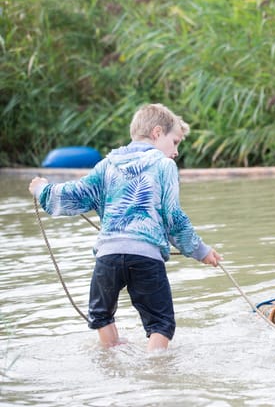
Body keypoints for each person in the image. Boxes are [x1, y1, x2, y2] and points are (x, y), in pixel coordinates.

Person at [28, 103, 222, 351]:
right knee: (161, 324)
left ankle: (110, 358)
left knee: (100, 316)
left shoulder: (107, 165)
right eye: (175, 142)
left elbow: (71, 195)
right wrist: (202, 251)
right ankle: (155, 372)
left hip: (107, 257)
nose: (175, 152)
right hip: (146, 258)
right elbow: (174, 218)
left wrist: (41, 189)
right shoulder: (164, 166)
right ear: (157, 133)